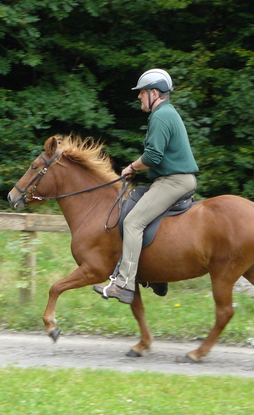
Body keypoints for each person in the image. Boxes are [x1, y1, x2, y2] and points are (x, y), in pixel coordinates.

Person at [94, 68, 199, 304]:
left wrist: (131, 167)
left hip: (174, 181)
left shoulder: (161, 116)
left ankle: (124, 285)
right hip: (172, 179)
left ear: (154, 93)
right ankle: (157, 276)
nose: (139, 97)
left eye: (141, 92)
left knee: (133, 222)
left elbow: (153, 156)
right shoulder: (167, 113)